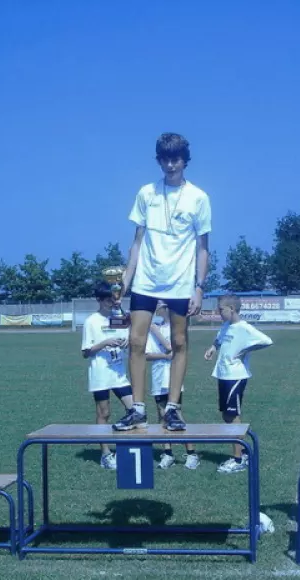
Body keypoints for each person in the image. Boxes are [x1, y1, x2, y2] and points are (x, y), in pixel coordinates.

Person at [113, 132, 212, 432]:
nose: (170, 165)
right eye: (165, 160)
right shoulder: (146, 193)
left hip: (181, 282)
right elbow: (137, 240)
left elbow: (203, 246)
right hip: (146, 279)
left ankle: (173, 408)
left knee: (179, 342)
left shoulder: (199, 197)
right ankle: (138, 409)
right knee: (136, 341)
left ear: (185, 160)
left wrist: (199, 286)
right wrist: (126, 280)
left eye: (176, 159)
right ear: (158, 160)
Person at [204, 294, 273, 473]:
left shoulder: (244, 328)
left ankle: (238, 459)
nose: (219, 313)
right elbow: (219, 339)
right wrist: (213, 348)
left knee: (233, 416)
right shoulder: (226, 326)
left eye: (221, 310)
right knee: (226, 416)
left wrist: (245, 349)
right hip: (223, 375)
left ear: (232, 309)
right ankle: (242, 453)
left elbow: (266, 341)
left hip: (235, 376)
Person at [81, 282, 137, 469]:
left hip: (119, 373)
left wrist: (125, 342)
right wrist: (105, 342)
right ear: (98, 300)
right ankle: (105, 454)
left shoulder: (118, 317)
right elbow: (86, 352)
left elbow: (129, 335)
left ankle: (130, 448)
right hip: (100, 374)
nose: (110, 303)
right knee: (104, 413)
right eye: (107, 300)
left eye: (113, 299)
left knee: (135, 412)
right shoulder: (91, 321)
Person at [145, 301, 200, 469]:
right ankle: (167, 453)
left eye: (160, 305)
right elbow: (147, 355)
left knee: (175, 413)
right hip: (158, 376)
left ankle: (191, 453)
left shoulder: (177, 327)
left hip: (173, 376)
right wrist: (164, 355)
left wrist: (157, 334)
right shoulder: (154, 328)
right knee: (161, 415)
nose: (157, 308)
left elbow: (173, 349)